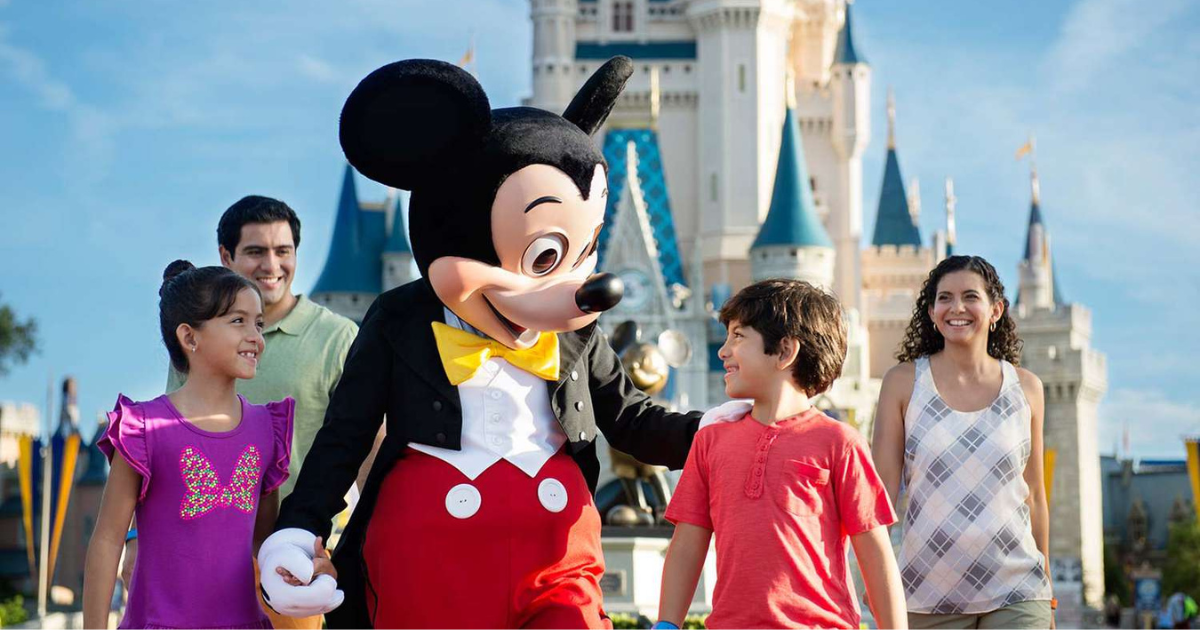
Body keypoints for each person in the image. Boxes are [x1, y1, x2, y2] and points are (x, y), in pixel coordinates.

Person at [255, 57, 720, 628]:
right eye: (546, 257)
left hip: (556, 556)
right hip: (430, 560)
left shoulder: (575, 330)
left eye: (578, 256)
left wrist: (728, 434)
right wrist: (300, 530)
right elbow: (345, 436)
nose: (572, 290)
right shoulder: (402, 318)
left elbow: (632, 419)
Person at [128, 196, 363, 629]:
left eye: (283, 251)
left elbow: (367, 448)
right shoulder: (199, 342)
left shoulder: (339, 338)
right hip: (192, 557)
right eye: (255, 251)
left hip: (288, 554)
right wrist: (134, 539)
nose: (271, 265)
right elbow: (159, 450)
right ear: (226, 256)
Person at [657, 278, 906, 629]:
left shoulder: (839, 442)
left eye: (739, 336)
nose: (723, 350)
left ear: (786, 351)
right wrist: (666, 624)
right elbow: (687, 544)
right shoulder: (710, 441)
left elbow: (876, 553)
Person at [82, 261, 296, 629]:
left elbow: (264, 542)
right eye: (238, 321)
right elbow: (107, 540)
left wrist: (298, 566)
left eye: (258, 323)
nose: (255, 337)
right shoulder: (145, 428)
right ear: (190, 337)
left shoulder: (267, 429)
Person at [871, 255, 1055, 629]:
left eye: (971, 296)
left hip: (1018, 591)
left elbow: (1034, 494)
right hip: (924, 592)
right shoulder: (902, 382)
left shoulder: (1028, 388)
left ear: (995, 310)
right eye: (945, 298)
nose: (957, 308)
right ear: (932, 311)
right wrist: (877, 580)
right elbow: (880, 496)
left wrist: (1046, 588)